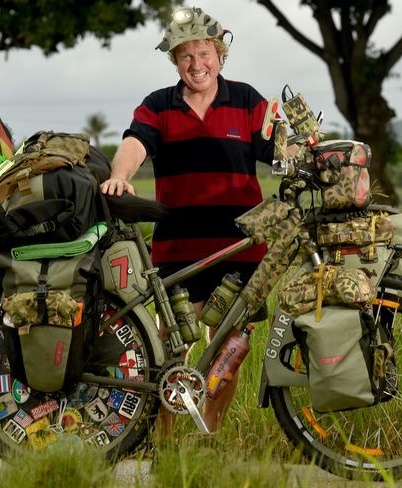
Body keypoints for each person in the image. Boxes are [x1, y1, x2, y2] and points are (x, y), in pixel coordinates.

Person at [100, 6, 275, 432]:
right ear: (174, 61)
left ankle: (207, 436)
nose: (197, 65)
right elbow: (134, 143)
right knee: (172, 349)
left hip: (239, 249)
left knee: (229, 351)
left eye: (205, 54)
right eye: (185, 56)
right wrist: (120, 176)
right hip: (179, 247)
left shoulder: (249, 100)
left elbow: (280, 149)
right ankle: (164, 441)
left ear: (220, 54)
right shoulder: (159, 105)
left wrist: (304, 155)